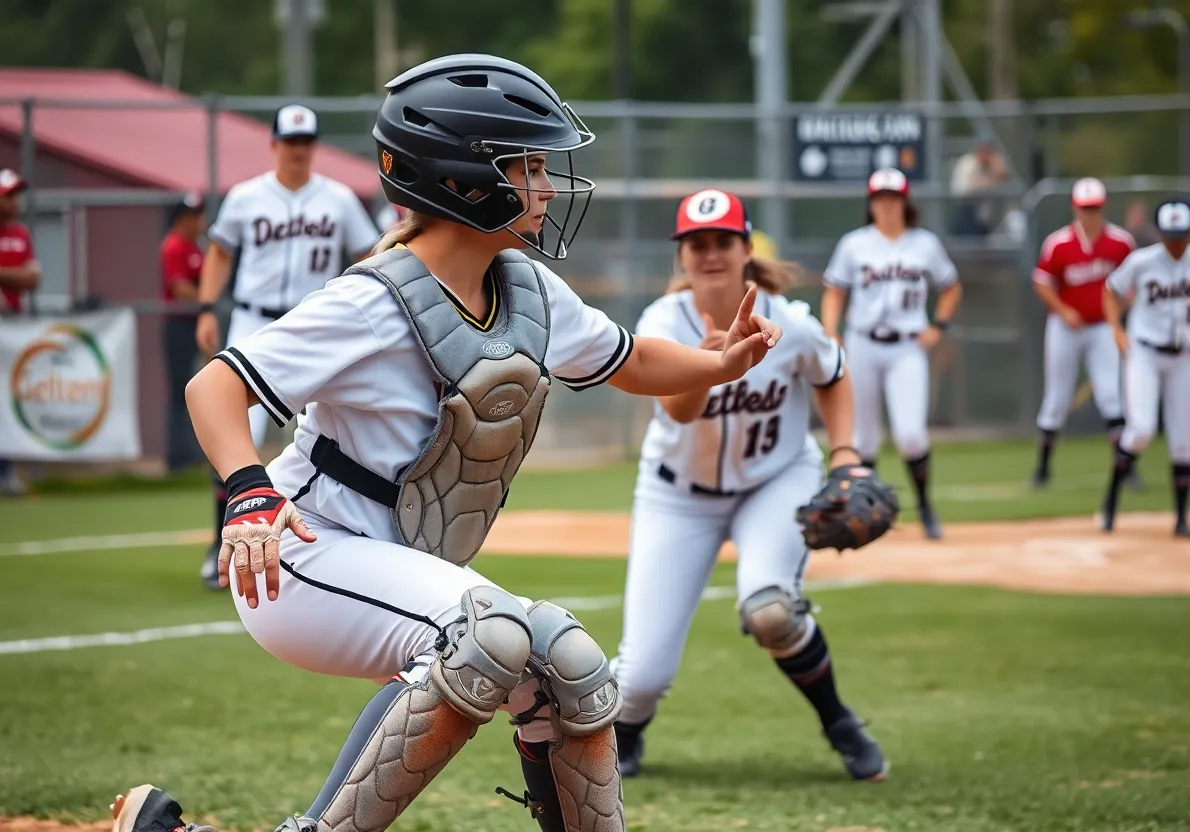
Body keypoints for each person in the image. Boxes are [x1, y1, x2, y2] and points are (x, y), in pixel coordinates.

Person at [109, 54, 784, 832]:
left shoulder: (524, 287)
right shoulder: (373, 299)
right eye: (526, 164)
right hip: (302, 555)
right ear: (464, 178)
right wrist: (249, 494)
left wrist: (719, 360)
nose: (547, 184)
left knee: (569, 667)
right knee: (486, 633)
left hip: (398, 564)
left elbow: (628, 360)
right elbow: (214, 387)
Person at [609, 188, 890, 783]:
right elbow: (678, 414)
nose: (710, 254)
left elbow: (834, 372)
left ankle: (840, 722)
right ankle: (627, 733)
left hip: (775, 481)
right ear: (682, 255)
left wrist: (846, 455)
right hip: (677, 495)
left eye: (723, 241)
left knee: (770, 611)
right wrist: (709, 364)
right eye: (697, 243)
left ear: (746, 248)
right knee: (640, 677)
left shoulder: (785, 319)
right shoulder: (663, 322)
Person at [193, 103, 383, 590]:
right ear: (274, 144)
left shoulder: (338, 199)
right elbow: (219, 253)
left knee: (332, 430)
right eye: (290, 142)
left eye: (306, 142)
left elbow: (369, 255)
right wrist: (206, 309)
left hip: (312, 328)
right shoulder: (246, 197)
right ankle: (224, 541)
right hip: (253, 321)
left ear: (313, 146)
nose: (298, 151)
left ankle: (335, 542)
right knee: (237, 432)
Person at [820, 168, 962, 539]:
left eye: (892, 197)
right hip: (863, 343)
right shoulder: (855, 244)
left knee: (911, 435)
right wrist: (831, 331)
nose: (885, 204)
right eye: (879, 197)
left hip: (907, 346)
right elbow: (834, 291)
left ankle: (926, 506)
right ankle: (866, 515)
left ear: (904, 201)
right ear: (871, 203)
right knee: (864, 440)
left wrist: (939, 326)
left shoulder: (924, 244)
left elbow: (950, 287)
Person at [1100, 199, 1190, 537]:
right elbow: (1110, 290)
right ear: (1158, 233)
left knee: (1183, 440)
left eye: (1180, 235)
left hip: (1184, 356)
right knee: (1142, 429)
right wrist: (1117, 331)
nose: (1175, 242)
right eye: (1169, 235)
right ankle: (1110, 501)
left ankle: (1181, 519)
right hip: (1145, 354)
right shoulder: (1142, 261)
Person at [1029, 178, 1140, 489]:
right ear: (1074, 208)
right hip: (1065, 327)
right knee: (1056, 398)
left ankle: (1125, 468)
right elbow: (1041, 281)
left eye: (1094, 208)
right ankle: (1042, 469)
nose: (1089, 214)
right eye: (1084, 208)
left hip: (1104, 326)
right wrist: (1062, 310)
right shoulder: (1059, 243)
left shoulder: (1120, 242)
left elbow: (1132, 283)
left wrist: (1122, 307)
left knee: (1110, 396)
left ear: (1102, 208)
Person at [0, 168, 40, 496]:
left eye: (15, 195)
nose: (14, 202)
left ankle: (7, 471)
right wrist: (15, 275)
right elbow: (22, 275)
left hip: (11, 327)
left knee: (8, 399)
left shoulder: (20, 233)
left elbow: (32, 279)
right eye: (8, 196)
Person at [161, 192, 207, 472]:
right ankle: (176, 457)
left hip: (195, 324)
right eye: (193, 217)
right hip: (178, 324)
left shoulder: (196, 247)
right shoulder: (174, 246)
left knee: (195, 386)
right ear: (181, 219)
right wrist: (208, 300)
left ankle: (190, 452)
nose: (198, 222)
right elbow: (180, 289)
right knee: (181, 388)